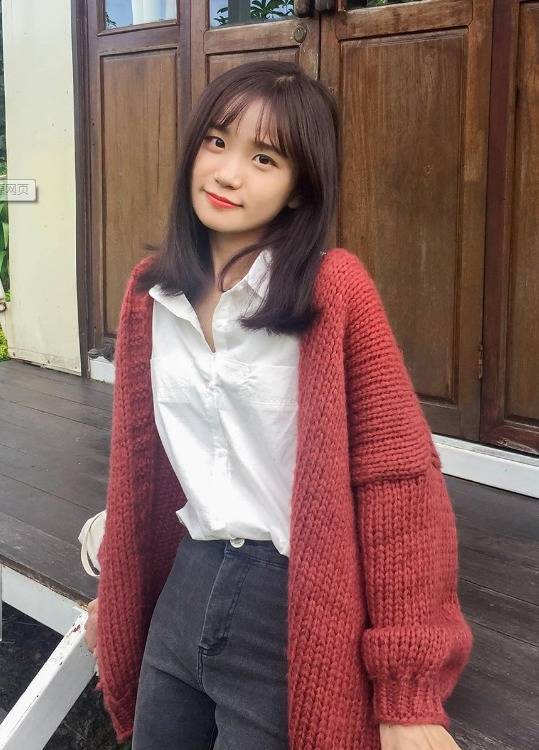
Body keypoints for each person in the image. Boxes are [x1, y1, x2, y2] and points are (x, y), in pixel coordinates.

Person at [84, 60, 473, 749]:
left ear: (300, 188)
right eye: (216, 141)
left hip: (290, 601)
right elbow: (153, 473)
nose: (228, 173)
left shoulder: (334, 291)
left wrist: (408, 693)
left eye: (264, 158)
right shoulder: (150, 293)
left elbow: (398, 485)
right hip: (187, 579)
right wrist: (119, 587)